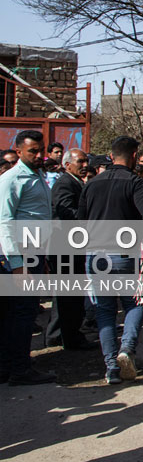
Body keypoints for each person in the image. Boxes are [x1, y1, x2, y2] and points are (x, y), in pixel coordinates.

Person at [78, 136, 143, 384]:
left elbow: (79, 222)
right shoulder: (135, 183)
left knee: (105, 311)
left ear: (111, 157)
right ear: (134, 156)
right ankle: (126, 350)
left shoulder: (92, 184)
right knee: (134, 304)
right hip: (125, 255)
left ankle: (111, 367)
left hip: (95, 255)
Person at [0, 130, 56, 385]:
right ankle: (19, 369)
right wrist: (17, 265)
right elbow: (4, 223)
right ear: (19, 150)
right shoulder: (12, 179)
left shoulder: (37, 175)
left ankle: (10, 367)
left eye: (40, 150)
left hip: (33, 252)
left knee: (19, 312)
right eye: (32, 151)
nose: (38, 155)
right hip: (19, 255)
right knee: (21, 313)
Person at [45, 148, 93, 351]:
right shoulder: (65, 184)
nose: (84, 165)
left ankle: (58, 334)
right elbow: (66, 212)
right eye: (80, 162)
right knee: (69, 295)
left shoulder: (75, 182)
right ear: (67, 165)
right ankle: (69, 337)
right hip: (65, 246)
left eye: (85, 161)